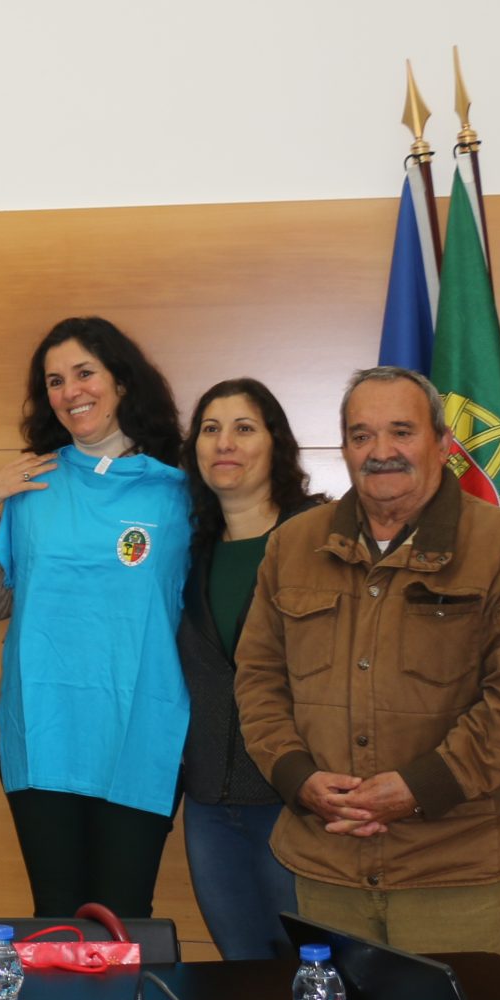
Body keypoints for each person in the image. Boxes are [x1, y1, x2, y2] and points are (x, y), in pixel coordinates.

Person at [236, 365, 500, 957]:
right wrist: (297, 778)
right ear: (344, 449)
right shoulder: (291, 546)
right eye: (362, 436)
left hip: (457, 873)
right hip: (325, 866)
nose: (381, 452)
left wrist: (418, 788)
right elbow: (258, 682)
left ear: (443, 445)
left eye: (402, 432)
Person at [0, 315, 190, 918]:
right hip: (44, 732)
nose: (71, 392)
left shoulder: (180, 493)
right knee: (57, 922)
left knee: (123, 924)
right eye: (55, 381)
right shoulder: (32, 483)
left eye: (85, 373)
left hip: (140, 732)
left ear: (121, 381)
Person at [177, 378, 322, 959]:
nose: (223, 443)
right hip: (210, 803)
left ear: (275, 444)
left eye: (243, 428)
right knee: (242, 975)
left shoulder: (319, 541)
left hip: (294, 800)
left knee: (313, 972)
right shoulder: (187, 553)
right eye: (210, 429)